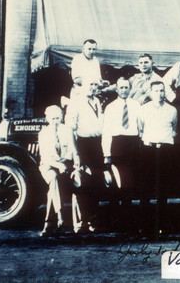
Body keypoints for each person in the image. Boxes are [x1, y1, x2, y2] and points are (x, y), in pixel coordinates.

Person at [137, 81, 177, 236]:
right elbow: (140, 129)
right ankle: (145, 226)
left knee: (163, 189)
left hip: (165, 151)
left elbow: (174, 128)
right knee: (146, 189)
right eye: (156, 91)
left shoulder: (172, 110)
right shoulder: (143, 110)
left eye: (162, 91)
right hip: (148, 150)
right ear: (151, 92)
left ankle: (162, 226)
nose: (159, 94)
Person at [65, 77, 104, 234]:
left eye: (95, 84)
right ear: (81, 86)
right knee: (82, 184)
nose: (93, 87)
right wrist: (76, 154)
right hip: (82, 144)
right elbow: (70, 130)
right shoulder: (75, 103)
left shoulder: (97, 102)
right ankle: (82, 221)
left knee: (96, 183)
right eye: (90, 84)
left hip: (97, 145)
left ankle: (92, 219)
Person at [38, 105, 78, 237]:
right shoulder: (43, 133)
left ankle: (48, 224)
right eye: (53, 118)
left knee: (53, 189)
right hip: (48, 165)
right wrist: (58, 165)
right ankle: (61, 218)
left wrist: (75, 162)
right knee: (54, 177)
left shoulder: (68, 130)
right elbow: (44, 157)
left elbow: (74, 150)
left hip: (65, 164)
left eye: (58, 118)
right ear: (47, 119)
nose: (55, 121)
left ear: (62, 117)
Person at [102, 78, 141, 202]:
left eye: (126, 87)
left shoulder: (136, 105)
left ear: (130, 89)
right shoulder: (110, 107)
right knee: (118, 178)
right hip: (117, 145)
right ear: (117, 89)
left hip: (132, 144)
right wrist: (107, 153)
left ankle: (127, 209)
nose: (124, 90)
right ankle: (116, 211)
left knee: (130, 179)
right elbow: (106, 131)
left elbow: (140, 126)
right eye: (121, 88)